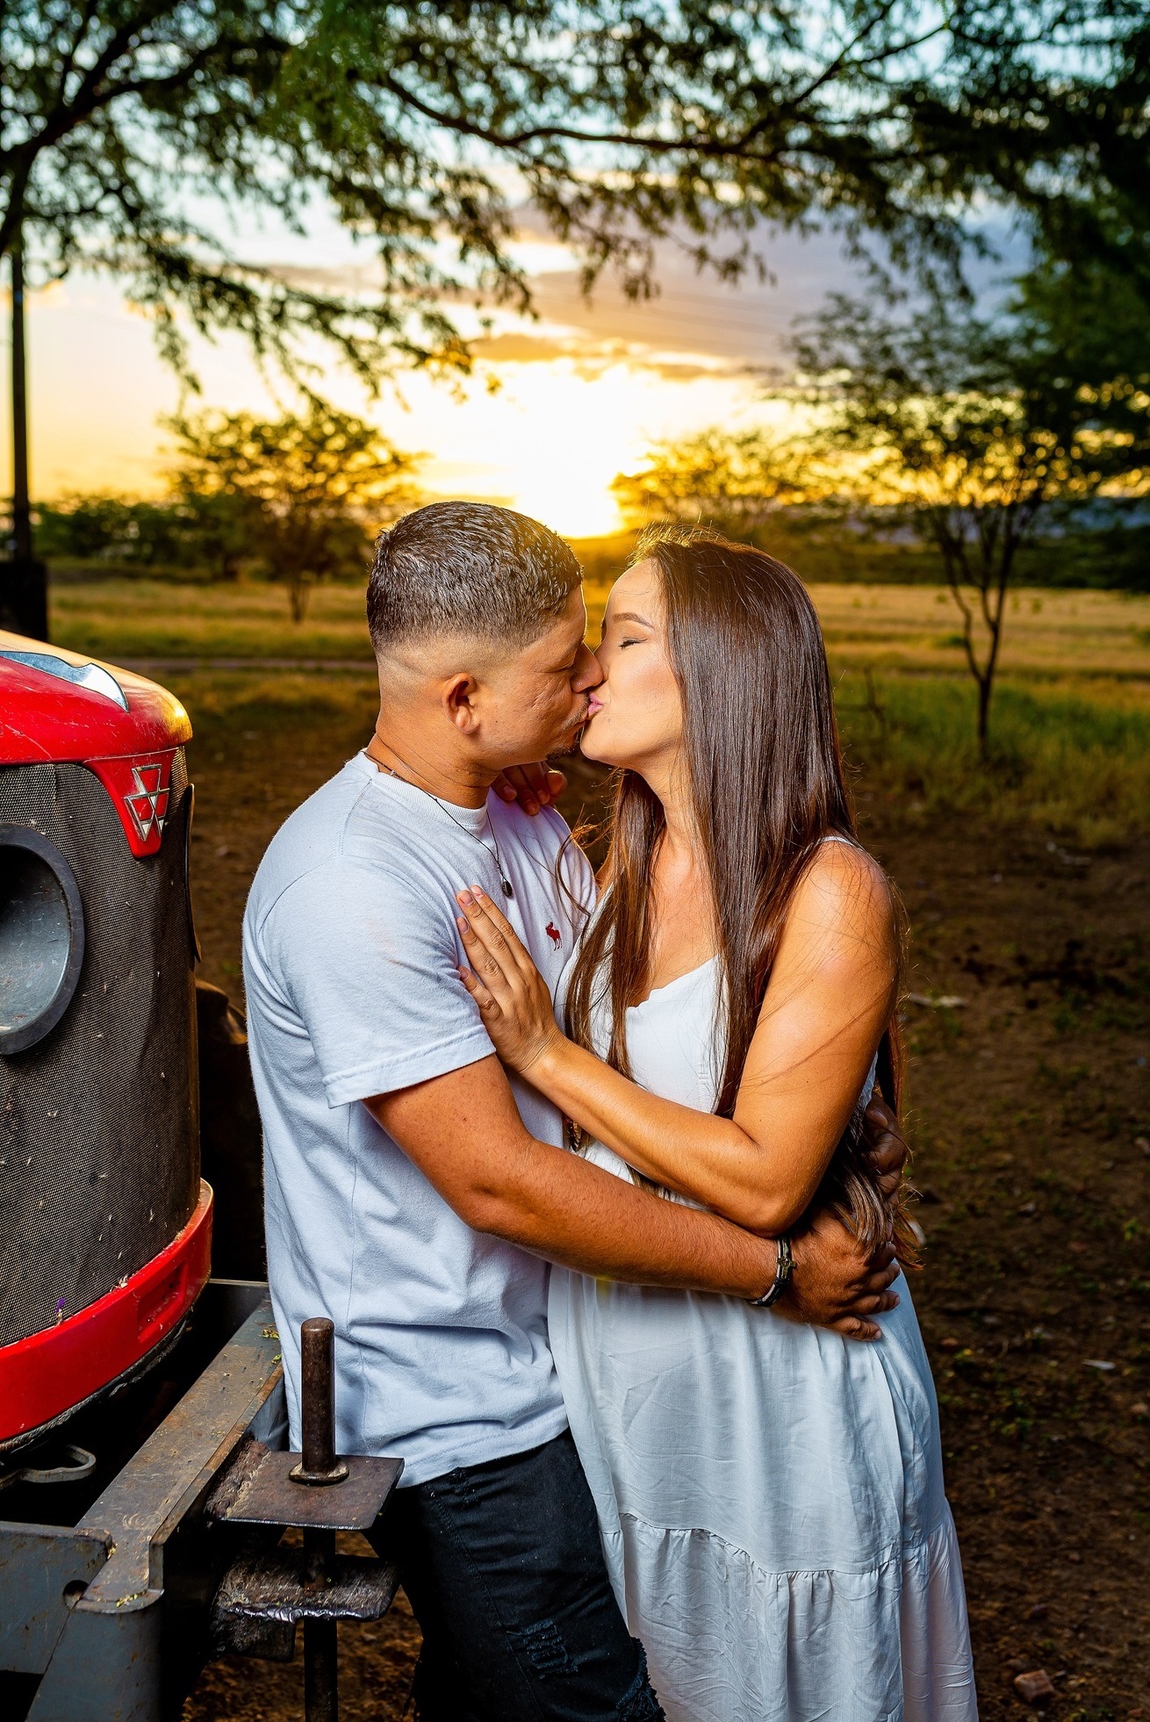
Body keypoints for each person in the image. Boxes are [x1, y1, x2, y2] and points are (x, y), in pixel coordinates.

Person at [242, 503, 908, 1722]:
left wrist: (837, 1110)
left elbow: (674, 1043)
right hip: (464, 1412)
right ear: (462, 697)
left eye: (614, 644)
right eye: (566, 664)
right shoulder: (355, 884)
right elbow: (501, 1180)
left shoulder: (534, 819)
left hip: (583, 1369)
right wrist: (772, 1266)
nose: (592, 674)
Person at [455, 532, 978, 1721]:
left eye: (627, 639)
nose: (589, 666)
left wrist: (546, 1055)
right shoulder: (617, 868)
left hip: (776, 1406)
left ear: (725, 675)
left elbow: (763, 1179)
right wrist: (508, 781)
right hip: (637, 1397)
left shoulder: (827, 888)